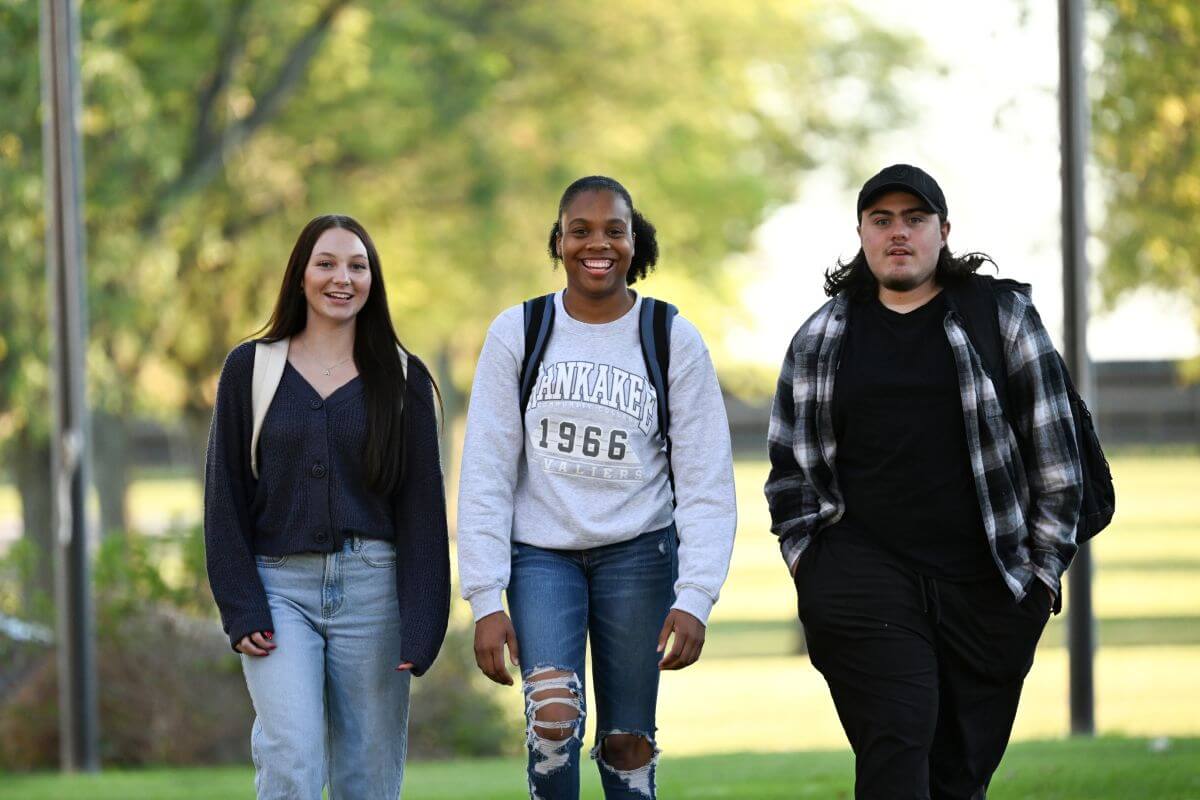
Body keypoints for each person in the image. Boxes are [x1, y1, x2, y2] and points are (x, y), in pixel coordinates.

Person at [764, 164, 1083, 799]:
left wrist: (1041, 578)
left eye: (914, 219)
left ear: (943, 231)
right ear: (861, 234)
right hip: (862, 579)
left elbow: (1058, 462)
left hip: (987, 585)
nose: (898, 233)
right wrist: (811, 566)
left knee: (959, 776)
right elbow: (790, 473)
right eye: (882, 221)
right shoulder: (822, 336)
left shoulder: (1002, 318)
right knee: (897, 742)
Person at [457, 176, 736, 799]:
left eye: (614, 230)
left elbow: (707, 482)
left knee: (627, 740)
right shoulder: (520, 331)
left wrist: (696, 595)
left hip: (639, 554)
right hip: (541, 556)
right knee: (553, 720)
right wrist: (484, 597)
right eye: (580, 230)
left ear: (635, 243)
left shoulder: (671, 338)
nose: (597, 244)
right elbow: (486, 474)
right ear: (558, 241)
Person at [204, 214, 450, 799]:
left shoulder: (404, 378)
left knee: (367, 778)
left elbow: (422, 513)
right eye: (327, 263)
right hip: (279, 592)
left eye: (358, 266)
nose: (343, 278)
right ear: (300, 276)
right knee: (292, 760)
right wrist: (241, 607)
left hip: (374, 596)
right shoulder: (251, 368)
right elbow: (224, 497)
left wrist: (423, 624)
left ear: (373, 280)